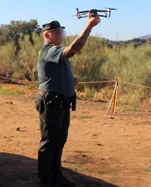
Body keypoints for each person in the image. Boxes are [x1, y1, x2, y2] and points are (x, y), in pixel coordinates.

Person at [36, 15, 101, 187]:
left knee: (59, 140)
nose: (61, 35)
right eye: (57, 32)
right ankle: (46, 180)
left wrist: (71, 82)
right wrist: (89, 26)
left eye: (61, 31)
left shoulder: (56, 50)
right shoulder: (49, 51)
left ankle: (56, 175)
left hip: (61, 102)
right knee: (49, 141)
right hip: (51, 102)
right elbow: (73, 49)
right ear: (47, 35)